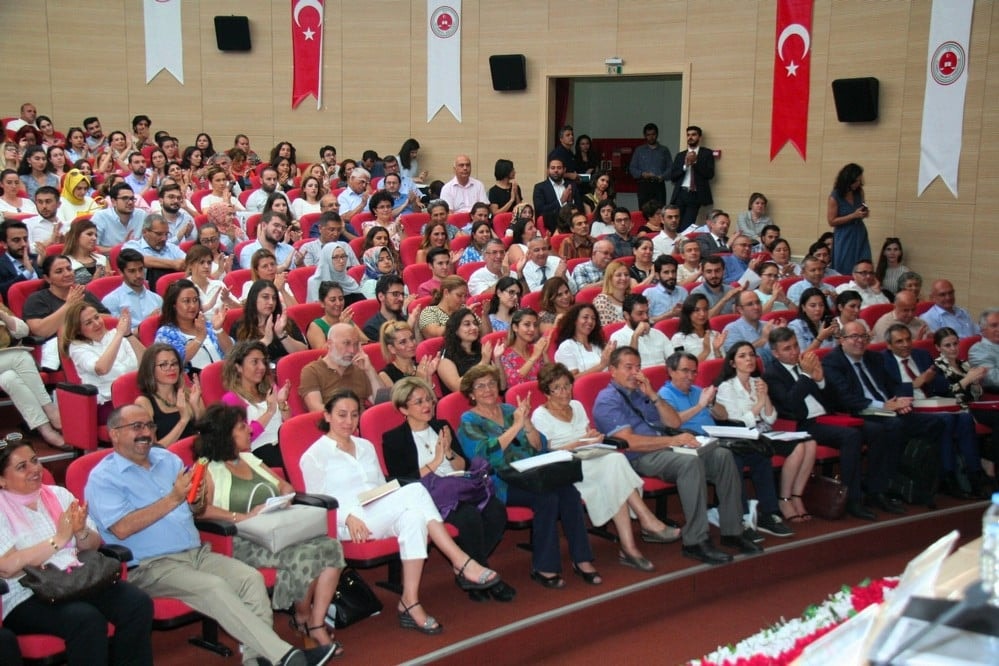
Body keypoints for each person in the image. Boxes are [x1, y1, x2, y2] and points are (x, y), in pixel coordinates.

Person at [86, 404, 339, 666]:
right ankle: (287, 657)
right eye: (136, 427)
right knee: (215, 588)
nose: (146, 433)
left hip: (196, 552)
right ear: (114, 433)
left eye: (149, 426)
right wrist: (174, 498)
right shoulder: (104, 478)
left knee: (250, 579)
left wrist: (195, 500)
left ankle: (257, 660)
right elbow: (122, 528)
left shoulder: (168, 460)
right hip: (151, 565)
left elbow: (193, 506)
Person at [305, 389, 501, 633]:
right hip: (348, 522)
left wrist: (389, 497)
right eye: (341, 415)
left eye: (354, 415)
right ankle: (460, 560)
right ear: (327, 416)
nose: (349, 422)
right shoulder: (314, 455)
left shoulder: (365, 446)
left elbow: (379, 485)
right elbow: (318, 500)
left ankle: (410, 601)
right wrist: (348, 516)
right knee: (416, 491)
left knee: (414, 517)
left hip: (375, 508)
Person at [194, 404, 346, 651]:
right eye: (242, 428)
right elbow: (200, 510)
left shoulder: (249, 458)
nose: (249, 432)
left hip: (274, 529)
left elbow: (285, 486)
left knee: (331, 547)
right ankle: (303, 619)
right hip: (238, 539)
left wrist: (281, 499)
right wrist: (241, 517)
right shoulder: (207, 468)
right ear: (225, 436)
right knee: (304, 555)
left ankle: (315, 622)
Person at [592, 347, 754, 565]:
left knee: (723, 455)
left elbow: (674, 423)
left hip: (666, 447)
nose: (634, 372)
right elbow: (629, 442)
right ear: (612, 370)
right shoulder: (607, 400)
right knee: (690, 463)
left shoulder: (642, 393)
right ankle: (696, 541)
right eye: (628, 367)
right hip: (638, 456)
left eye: (638, 367)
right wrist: (671, 441)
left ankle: (732, 530)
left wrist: (653, 396)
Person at [0, 440, 154, 665]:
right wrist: (59, 539)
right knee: (86, 619)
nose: (34, 469)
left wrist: (81, 532)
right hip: (27, 594)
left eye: (35, 461)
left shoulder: (58, 494)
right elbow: (8, 567)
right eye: (22, 467)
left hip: (76, 580)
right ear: (2, 480)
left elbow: (93, 544)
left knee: (137, 603)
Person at [455, 365, 598, 588]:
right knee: (547, 498)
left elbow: (539, 446)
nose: (488, 389)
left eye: (491, 383)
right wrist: (516, 427)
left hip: (531, 472)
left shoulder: (511, 410)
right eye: (480, 386)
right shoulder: (468, 421)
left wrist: (528, 422)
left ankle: (582, 558)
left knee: (568, 491)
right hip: (500, 480)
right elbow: (484, 455)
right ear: (471, 394)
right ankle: (544, 566)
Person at [532, 363, 678, 571]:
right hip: (563, 466)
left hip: (589, 458)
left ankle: (630, 546)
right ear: (547, 392)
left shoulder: (578, 406)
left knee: (614, 468)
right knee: (615, 463)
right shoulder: (540, 415)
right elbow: (546, 454)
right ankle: (646, 521)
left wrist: (593, 438)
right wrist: (579, 443)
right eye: (558, 388)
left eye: (567, 386)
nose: (565, 392)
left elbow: (586, 436)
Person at [382, 377, 514, 602]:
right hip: (427, 494)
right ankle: (482, 577)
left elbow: (464, 464)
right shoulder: (394, 439)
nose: (427, 406)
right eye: (418, 402)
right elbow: (402, 480)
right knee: (469, 517)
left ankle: (470, 571)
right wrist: (435, 461)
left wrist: (449, 453)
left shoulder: (441, 426)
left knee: (496, 511)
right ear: (404, 408)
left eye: (429, 400)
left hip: (458, 485)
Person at [821, 321, 944, 514]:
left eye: (864, 337)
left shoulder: (874, 358)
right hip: (857, 413)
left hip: (887, 409)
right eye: (854, 337)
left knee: (935, 423)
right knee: (892, 426)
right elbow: (845, 397)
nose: (860, 341)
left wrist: (900, 400)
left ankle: (911, 477)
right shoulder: (832, 362)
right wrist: (885, 406)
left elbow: (892, 384)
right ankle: (879, 488)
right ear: (841, 340)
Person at [765, 328, 874, 520]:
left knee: (876, 429)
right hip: (802, 424)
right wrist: (806, 377)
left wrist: (821, 380)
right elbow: (790, 403)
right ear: (775, 353)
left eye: (796, 345)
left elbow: (835, 400)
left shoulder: (805, 363)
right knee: (851, 436)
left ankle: (876, 490)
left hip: (827, 417)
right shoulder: (772, 374)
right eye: (787, 348)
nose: (794, 352)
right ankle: (852, 499)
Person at [712, 342, 814, 526]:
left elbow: (771, 418)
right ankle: (763, 511)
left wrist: (765, 397)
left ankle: (787, 498)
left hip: (763, 434)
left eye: (751, 355)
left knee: (801, 445)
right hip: (741, 437)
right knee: (762, 454)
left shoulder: (758, 382)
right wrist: (759, 402)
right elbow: (738, 421)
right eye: (742, 356)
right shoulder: (726, 387)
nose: (749, 359)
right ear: (733, 363)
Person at [881, 324, 985, 499]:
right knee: (946, 420)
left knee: (965, 418)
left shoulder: (921, 355)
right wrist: (917, 382)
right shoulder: (883, 360)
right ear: (889, 345)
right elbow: (887, 390)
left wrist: (967, 380)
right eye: (899, 341)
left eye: (908, 339)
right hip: (907, 407)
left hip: (932, 403)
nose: (906, 344)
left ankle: (975, 474)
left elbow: (940, 386)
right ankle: (948, 476)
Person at [61, 301, 144, 422]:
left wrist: (129, 335)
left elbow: (147, 363)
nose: (96, 324)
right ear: (78, 330)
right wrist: (120, 334)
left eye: (96, 317)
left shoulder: (117, 335)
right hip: (109, 402)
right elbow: (102, 368)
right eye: (89, 323)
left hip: (138, 393)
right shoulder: (77, 348)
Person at [0, 304, 66, 448]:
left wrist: (3, 316)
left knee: (9, 378)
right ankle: (49, 408)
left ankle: (45, 429)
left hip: (4, 364)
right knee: (21, 357)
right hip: (9, 358)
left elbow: (23, 331)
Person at [220, 341, 292, 469]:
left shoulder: (270, 387)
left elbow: (290, 423)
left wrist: (282, 403)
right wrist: (269, 412)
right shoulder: (231, 399)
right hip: (259, 452)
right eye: (255, 362)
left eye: (263, 362)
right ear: (238, 367)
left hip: (285, 443)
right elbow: (240, 439)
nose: (262, 367)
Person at [154, 278, 232, 373]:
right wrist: (199, 338)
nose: (193, 305)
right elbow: (175, 362)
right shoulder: (166, 333)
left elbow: (232, 353)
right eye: (186, 301)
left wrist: (218, 330)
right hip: (193, 383)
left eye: (195, 300)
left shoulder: (208, 325)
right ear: (174, 305)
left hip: (224, 376)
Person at [301, 323, 382, 413]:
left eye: (355, 344)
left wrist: (370, 370)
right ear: (330, 344)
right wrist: (348, 417)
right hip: (331, 425)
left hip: (362, 424)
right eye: (346, 343)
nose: (352, 350)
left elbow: (381, 402)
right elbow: (315, 408)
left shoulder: (359, 368)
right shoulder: (312, 371)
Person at [133, 343, 203, 445]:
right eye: (164, 365)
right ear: (150, 369)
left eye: (174, 363)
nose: (171, 368)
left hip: (198, 455)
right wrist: (183, 420)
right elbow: (152, 450)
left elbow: (207, 433)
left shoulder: (188, 394)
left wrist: (196, 407)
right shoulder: (144, 403)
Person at [230, 280, 307, 364]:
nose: (271, 302)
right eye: (265, 297)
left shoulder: (285, 322)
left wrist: (282, 335)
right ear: (254, 299)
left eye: (274, 298)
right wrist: (265, 340)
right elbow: (240, 359)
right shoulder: (240, 326)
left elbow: (303, 353)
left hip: (290, 369)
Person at [437, 308, 504, 396]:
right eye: (467, 324)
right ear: (455, 330)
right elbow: (458, 387)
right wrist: (483, 363)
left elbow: (502, 386)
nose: (474, 327)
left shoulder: (480, 349)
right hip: (464, 405)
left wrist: (497, 359)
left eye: (475, 323)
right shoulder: (446, 356)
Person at [123, 214, 187, 293]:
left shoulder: (171, 247)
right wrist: (173, 264)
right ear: (144, 232)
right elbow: (141, 260)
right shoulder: (132, 245)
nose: (164, 238)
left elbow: (187, 263)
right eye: (159, 234)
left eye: (166, 234)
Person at [827, 163, 871, 276]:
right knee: (845, 266)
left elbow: (861, 208)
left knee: (863, 263)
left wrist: (864, 213)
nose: (858, 184)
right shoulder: (835, 196)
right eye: (856, 181)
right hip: (844, 234)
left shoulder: (859, 192)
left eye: (859, 181)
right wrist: (853, 215)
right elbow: (831, 221)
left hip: (859, 231)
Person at [668, 126, 715, 231]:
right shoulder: (680, 155)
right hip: (680, 193)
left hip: (695, 194)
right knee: (675, 223)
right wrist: (685, 166)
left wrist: (695, 163)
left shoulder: (706, 153)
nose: (690, 137)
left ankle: (682, 244)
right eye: (688, 135)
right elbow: (673, 177)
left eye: (693, 135)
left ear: (699, 137)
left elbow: (710, 174)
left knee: (687, 226)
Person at [609, 294, 674, 369]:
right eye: (640, 313)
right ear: (626, 315)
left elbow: (674, 362)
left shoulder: (658, 334)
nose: (645, 317)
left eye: (647, 312)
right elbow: (629, 367)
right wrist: (635, 336)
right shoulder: (618, 337)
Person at [553, 303, 614, 376]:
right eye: (585, 317)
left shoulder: (597, 344)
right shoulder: (567, 346)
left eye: (593, 318)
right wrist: (601, 366)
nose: (590, 321)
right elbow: (572, 379)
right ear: (575, 320)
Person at [378, 321, 438, 388]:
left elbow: (432, 398)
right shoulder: (386, 375)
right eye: (403, 342)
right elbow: (399, 398)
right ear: (392, 349)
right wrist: (418, 379)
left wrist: (429, 377)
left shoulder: (422, 366)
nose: (411, 344)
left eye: (412, 338)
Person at [500, 309, 549, 389]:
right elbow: (514, 382)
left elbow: (550, 376)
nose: (532, 329)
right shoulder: (504, 354)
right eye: (527, 325)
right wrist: (534, 357)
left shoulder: (535, 348)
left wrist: (544, 353)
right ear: (515, 327)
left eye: (535, 325)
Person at [184, 245, 237, 319]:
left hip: (222, 327)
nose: (206, 266)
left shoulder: (219, 284)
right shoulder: (183, 288)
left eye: (209, 262)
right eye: (201, 262)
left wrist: (228, 300)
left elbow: (239, 309)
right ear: (190, 265)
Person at [361, 275, 418, 343]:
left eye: (402, 294)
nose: (401, 298)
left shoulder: (407, 319)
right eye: (395, 294)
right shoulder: (371, 328)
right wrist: (408, 328)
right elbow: (386, 352)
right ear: (381, 296)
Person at [306, 281, 362, 350]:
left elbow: (366, 341)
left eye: (341, 299)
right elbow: (322, 353)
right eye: (333, 300)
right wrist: (341, 329)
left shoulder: (346, 319)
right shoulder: (315, 326)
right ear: (322, 303)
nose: (338, 303)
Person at [670, 293, 725, 361]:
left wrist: (716, 350)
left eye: (705, 309)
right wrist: (705, 352)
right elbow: (682, 367)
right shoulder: (678, 339)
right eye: (697, 310)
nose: (702, 314)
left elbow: (722, 365)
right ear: (688, 313)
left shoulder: (715, 335)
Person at [629, 123, 671, 208]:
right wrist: (643, 174)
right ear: (645, 136)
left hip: (659, 185)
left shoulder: (664, 150)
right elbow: (632, 168)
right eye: (648, 135)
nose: (651, 137)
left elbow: (670, 168)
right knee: (643, 211)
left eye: (653, 134)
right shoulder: (639, 150)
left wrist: (662, 176)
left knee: (659, 210)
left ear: (657, 135)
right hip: (644, 184)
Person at [0, 220, 40, 303]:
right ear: (4, 244)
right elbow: (3, 291)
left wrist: (42, 265)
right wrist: (27, 273)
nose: (23, 244)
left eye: (25, 239)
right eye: (16, 240)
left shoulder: (38, 259)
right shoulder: (1, 265)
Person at [789, 287, 839, 353]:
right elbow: (802, 357)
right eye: (813, 306)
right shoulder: (795, 327)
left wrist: (837, 335)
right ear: (803, 307)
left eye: (821, 305)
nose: (818, 309)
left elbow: (839, 352)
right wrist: (820, 338)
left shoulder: (827, 323)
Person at [62, 218, 109, 285]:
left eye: (96, 235)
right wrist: (94, 282)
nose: (94, 238)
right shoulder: (65, 263)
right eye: (89, 234)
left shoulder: (102, 259)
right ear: (76, 236)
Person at [592, 260, 631, 327]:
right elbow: (607, 329)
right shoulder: (601, 301)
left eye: (626, 275)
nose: (623, 278)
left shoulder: (632, 299)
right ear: (610, 278)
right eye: (618, 275)